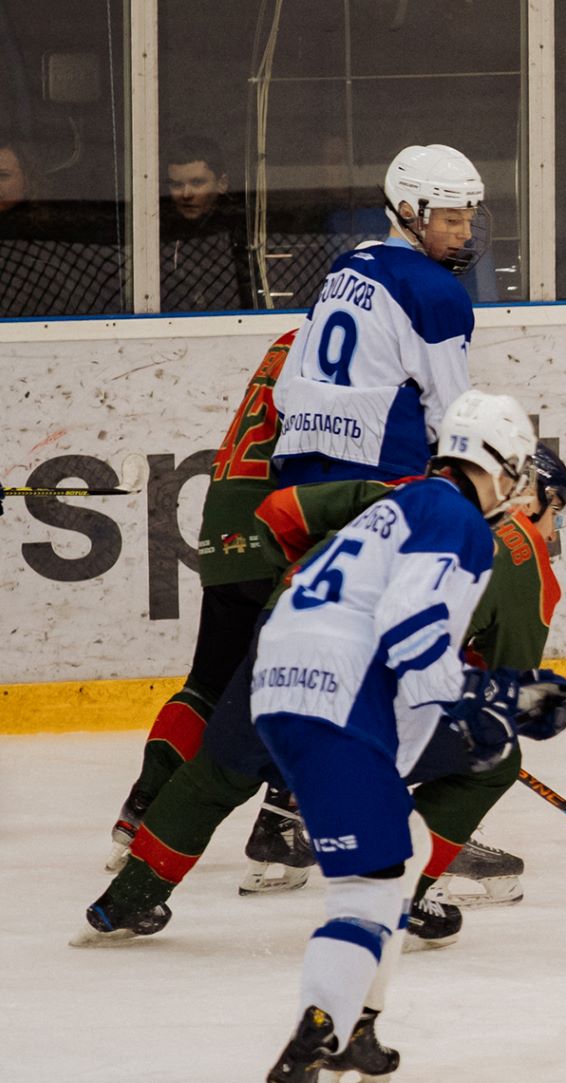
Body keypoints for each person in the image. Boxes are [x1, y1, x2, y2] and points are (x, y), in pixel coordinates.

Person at [74, 444, 566, 953]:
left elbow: (279, 512)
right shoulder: (522, 555)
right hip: (356, 682)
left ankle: (127, 900)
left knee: (218, 772)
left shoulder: (409, 492)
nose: (554, 533)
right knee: (495, 760)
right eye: (556, 512)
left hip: (285, 630)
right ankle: (406, 894)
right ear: (528, 496)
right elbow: (504, 684)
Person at [245, 391, 566, 1083]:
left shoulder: (401, 504)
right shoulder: (458, 521)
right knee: (368, 889)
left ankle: (360, 1028)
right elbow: (414, 641)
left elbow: (399, 657)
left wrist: (500, 702)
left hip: (287, 686)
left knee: (411, 840)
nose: (516, 488)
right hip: (339, 695)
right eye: (515, 472)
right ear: (496, 465)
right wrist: (498, 700)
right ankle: (313, 1044)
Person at [107, 331, 300, 874]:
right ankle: (281, 824)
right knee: (311, 665)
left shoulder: (294, 338)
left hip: (226, 516)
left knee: (209, 683)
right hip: (275, 523)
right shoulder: (353, 343)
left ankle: (140, 809)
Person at [271, 143, 484, 487]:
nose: (466, 233)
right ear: (407, 211)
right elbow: (450, 417)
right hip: (379, 479)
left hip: (299, 473)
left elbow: (284, 394)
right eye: (452, 219)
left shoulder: (344, 269)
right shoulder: (434, 289)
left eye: (468, 219)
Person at [160, 134, 252, 311]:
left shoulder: (244, 234)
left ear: (222, 183)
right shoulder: (157, 236)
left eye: (197, 182)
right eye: (176, 185)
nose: (186, 194)